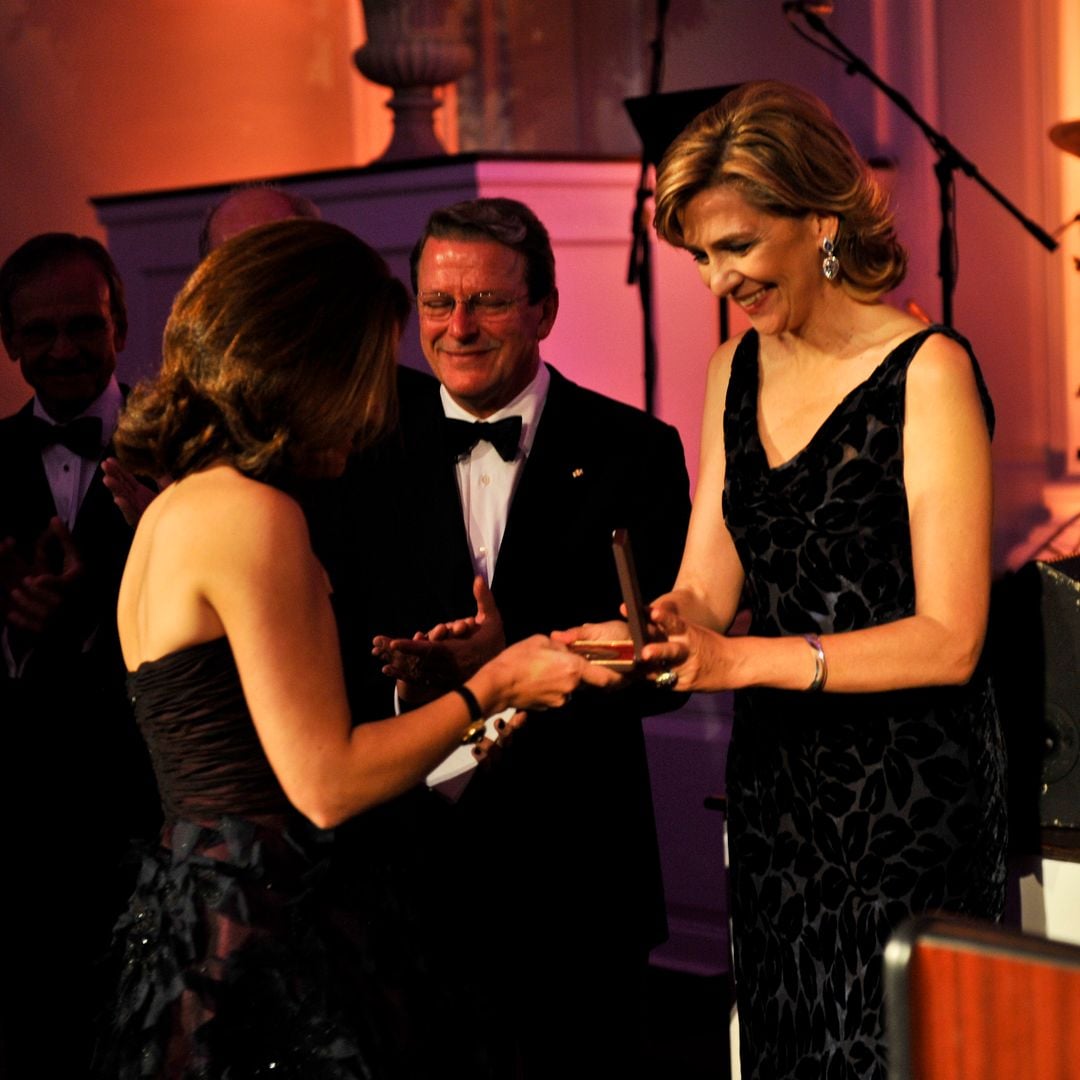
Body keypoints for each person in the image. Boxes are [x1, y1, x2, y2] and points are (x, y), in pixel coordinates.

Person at [95, 218, 614, 1079]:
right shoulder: (252, 516)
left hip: (198, 918)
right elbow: (327, 786)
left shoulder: (180, 506)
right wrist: (498, 684)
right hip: (268, 939)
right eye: (369, 369)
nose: (378, 404)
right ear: (308, 365)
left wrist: (454, 708)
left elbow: (260, 753)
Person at [566, 81, 1008, 1078]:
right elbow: (706, 590)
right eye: (701, 256)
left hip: (910, 802)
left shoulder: (929, 370)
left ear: (818, 219)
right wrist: (658, 627)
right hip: (780, 802)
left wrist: (742, 657)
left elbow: (952, 638)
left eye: (737, 246)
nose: (719, 280)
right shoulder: (734, 369)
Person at [313, 196, 692, 1078]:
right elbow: (322, 649)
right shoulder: (355, 451)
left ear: (543, 310)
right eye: (440, 304)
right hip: (405, 875)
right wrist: (412, 679)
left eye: (485, 302)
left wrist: (517, 652)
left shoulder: (636, 448)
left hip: (577, 871)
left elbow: (669, 670)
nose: (458, 327)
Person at [0, 233, 160, 1076]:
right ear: (10, 341)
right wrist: (16, 636)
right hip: (20, 835)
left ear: (120, 324)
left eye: (82, 325)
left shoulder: (174, 453)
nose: (62, 348)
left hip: (146, 808)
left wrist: (89, 619)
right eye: (39, 331)